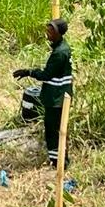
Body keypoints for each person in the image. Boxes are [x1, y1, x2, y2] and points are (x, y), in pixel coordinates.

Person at [13, 18, 73, 168]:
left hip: (56, 97)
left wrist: (29, 72)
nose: (48, 33)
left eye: (51, 31)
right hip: (58, 96)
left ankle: (58, 162)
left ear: (58, 33)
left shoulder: (60, 53)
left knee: (53, 131)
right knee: (56, 129)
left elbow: (47, 75)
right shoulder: (61, 48)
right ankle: (59, 159)